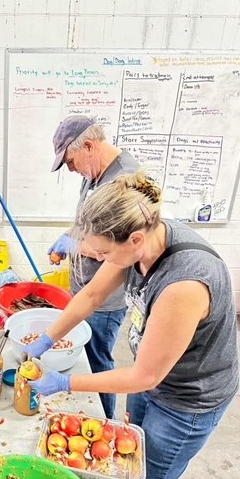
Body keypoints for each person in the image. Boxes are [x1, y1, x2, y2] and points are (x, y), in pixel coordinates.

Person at [26, 172, 239, 479]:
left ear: (135, 241)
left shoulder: (185, 282)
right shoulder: (139, 239)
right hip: (155, 380)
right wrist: (43, 340)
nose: (101, 260)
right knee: (127, 468)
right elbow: (90, 294)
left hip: (188, 400)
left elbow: (145, 376)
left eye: (104, 253)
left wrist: (64, 382)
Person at [47, 116, 140, 419]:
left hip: (105, 300)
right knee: (84, 358)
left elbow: (116, 246)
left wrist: (75, 247)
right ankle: (85, 413)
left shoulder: (124, 181)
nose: (70, 170)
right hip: (85, 290)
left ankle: (103, 420)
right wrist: (71, 237)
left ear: (88, 146)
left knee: (98, 362)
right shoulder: (94, 174)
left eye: (70, 162)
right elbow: (88, 223)